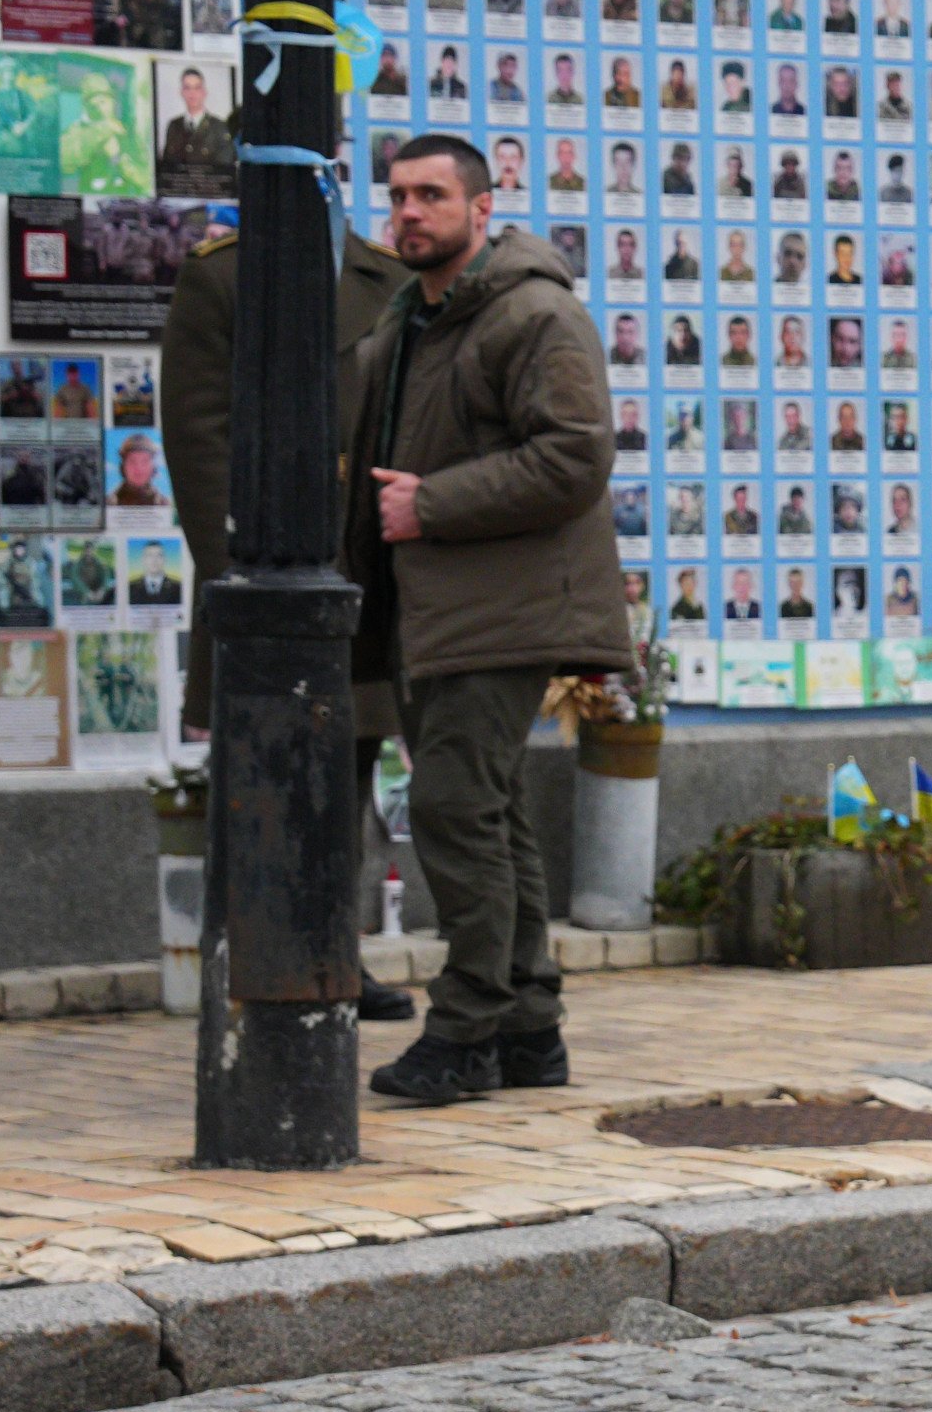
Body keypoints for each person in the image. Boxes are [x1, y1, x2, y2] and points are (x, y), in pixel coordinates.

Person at [347, 133, 624, 1105]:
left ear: (480, 205)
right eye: (399, 197)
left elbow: (578, 455)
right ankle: (528, 1028)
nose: (411, 213)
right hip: (440, 608)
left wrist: (436, 505)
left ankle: (464, 1031)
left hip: (504, 605)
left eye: (431, 195)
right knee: (490, 810)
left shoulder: (534, 313)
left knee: (455, 807)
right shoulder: (414, 321)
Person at [162, 196, 416, 1009]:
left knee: (348, 766)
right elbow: (198, 435)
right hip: (265, 564)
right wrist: (235, 566)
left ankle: (333, 951)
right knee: (262, 763)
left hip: (365, 560)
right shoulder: (223, 276)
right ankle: (255, 949)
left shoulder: (389, 276)